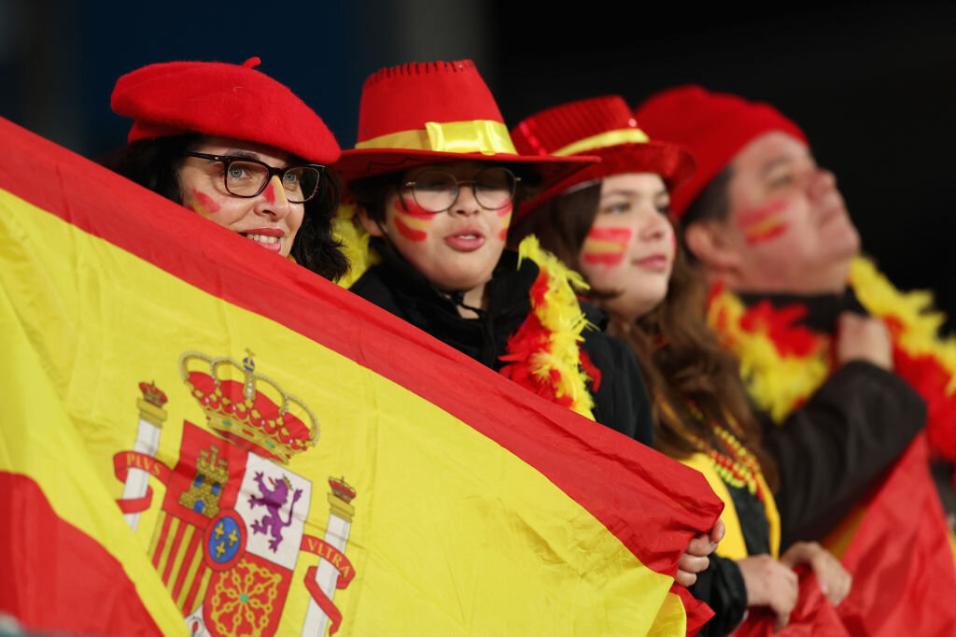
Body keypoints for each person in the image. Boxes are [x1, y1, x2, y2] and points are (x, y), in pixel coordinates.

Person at [335, 60, 720, 589]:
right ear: (372, 216)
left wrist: (684, 554)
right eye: (434, 185)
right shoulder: (338, 349)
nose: (467, 206)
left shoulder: (600, 359)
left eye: (490, 185)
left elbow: (641, 564)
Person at [510, 95, 851, 634]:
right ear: (552, 234)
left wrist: (778, 567)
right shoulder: (540, 374)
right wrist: (734, 583)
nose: (656, 229)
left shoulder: (684, 371)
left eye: (659, 205)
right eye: (621, 206)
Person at [635, 85, 956, 632]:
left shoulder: (883, 326)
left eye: (814, 167)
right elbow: (756, 511)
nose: (824, 181)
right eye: (784, 179)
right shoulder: (690, 366)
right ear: (713, 240)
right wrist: (865, 383)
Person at [107, 56, 348, 280]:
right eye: (238, 172)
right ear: (158, 179)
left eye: (292, 178)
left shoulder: (317, 320)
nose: (280, 206)